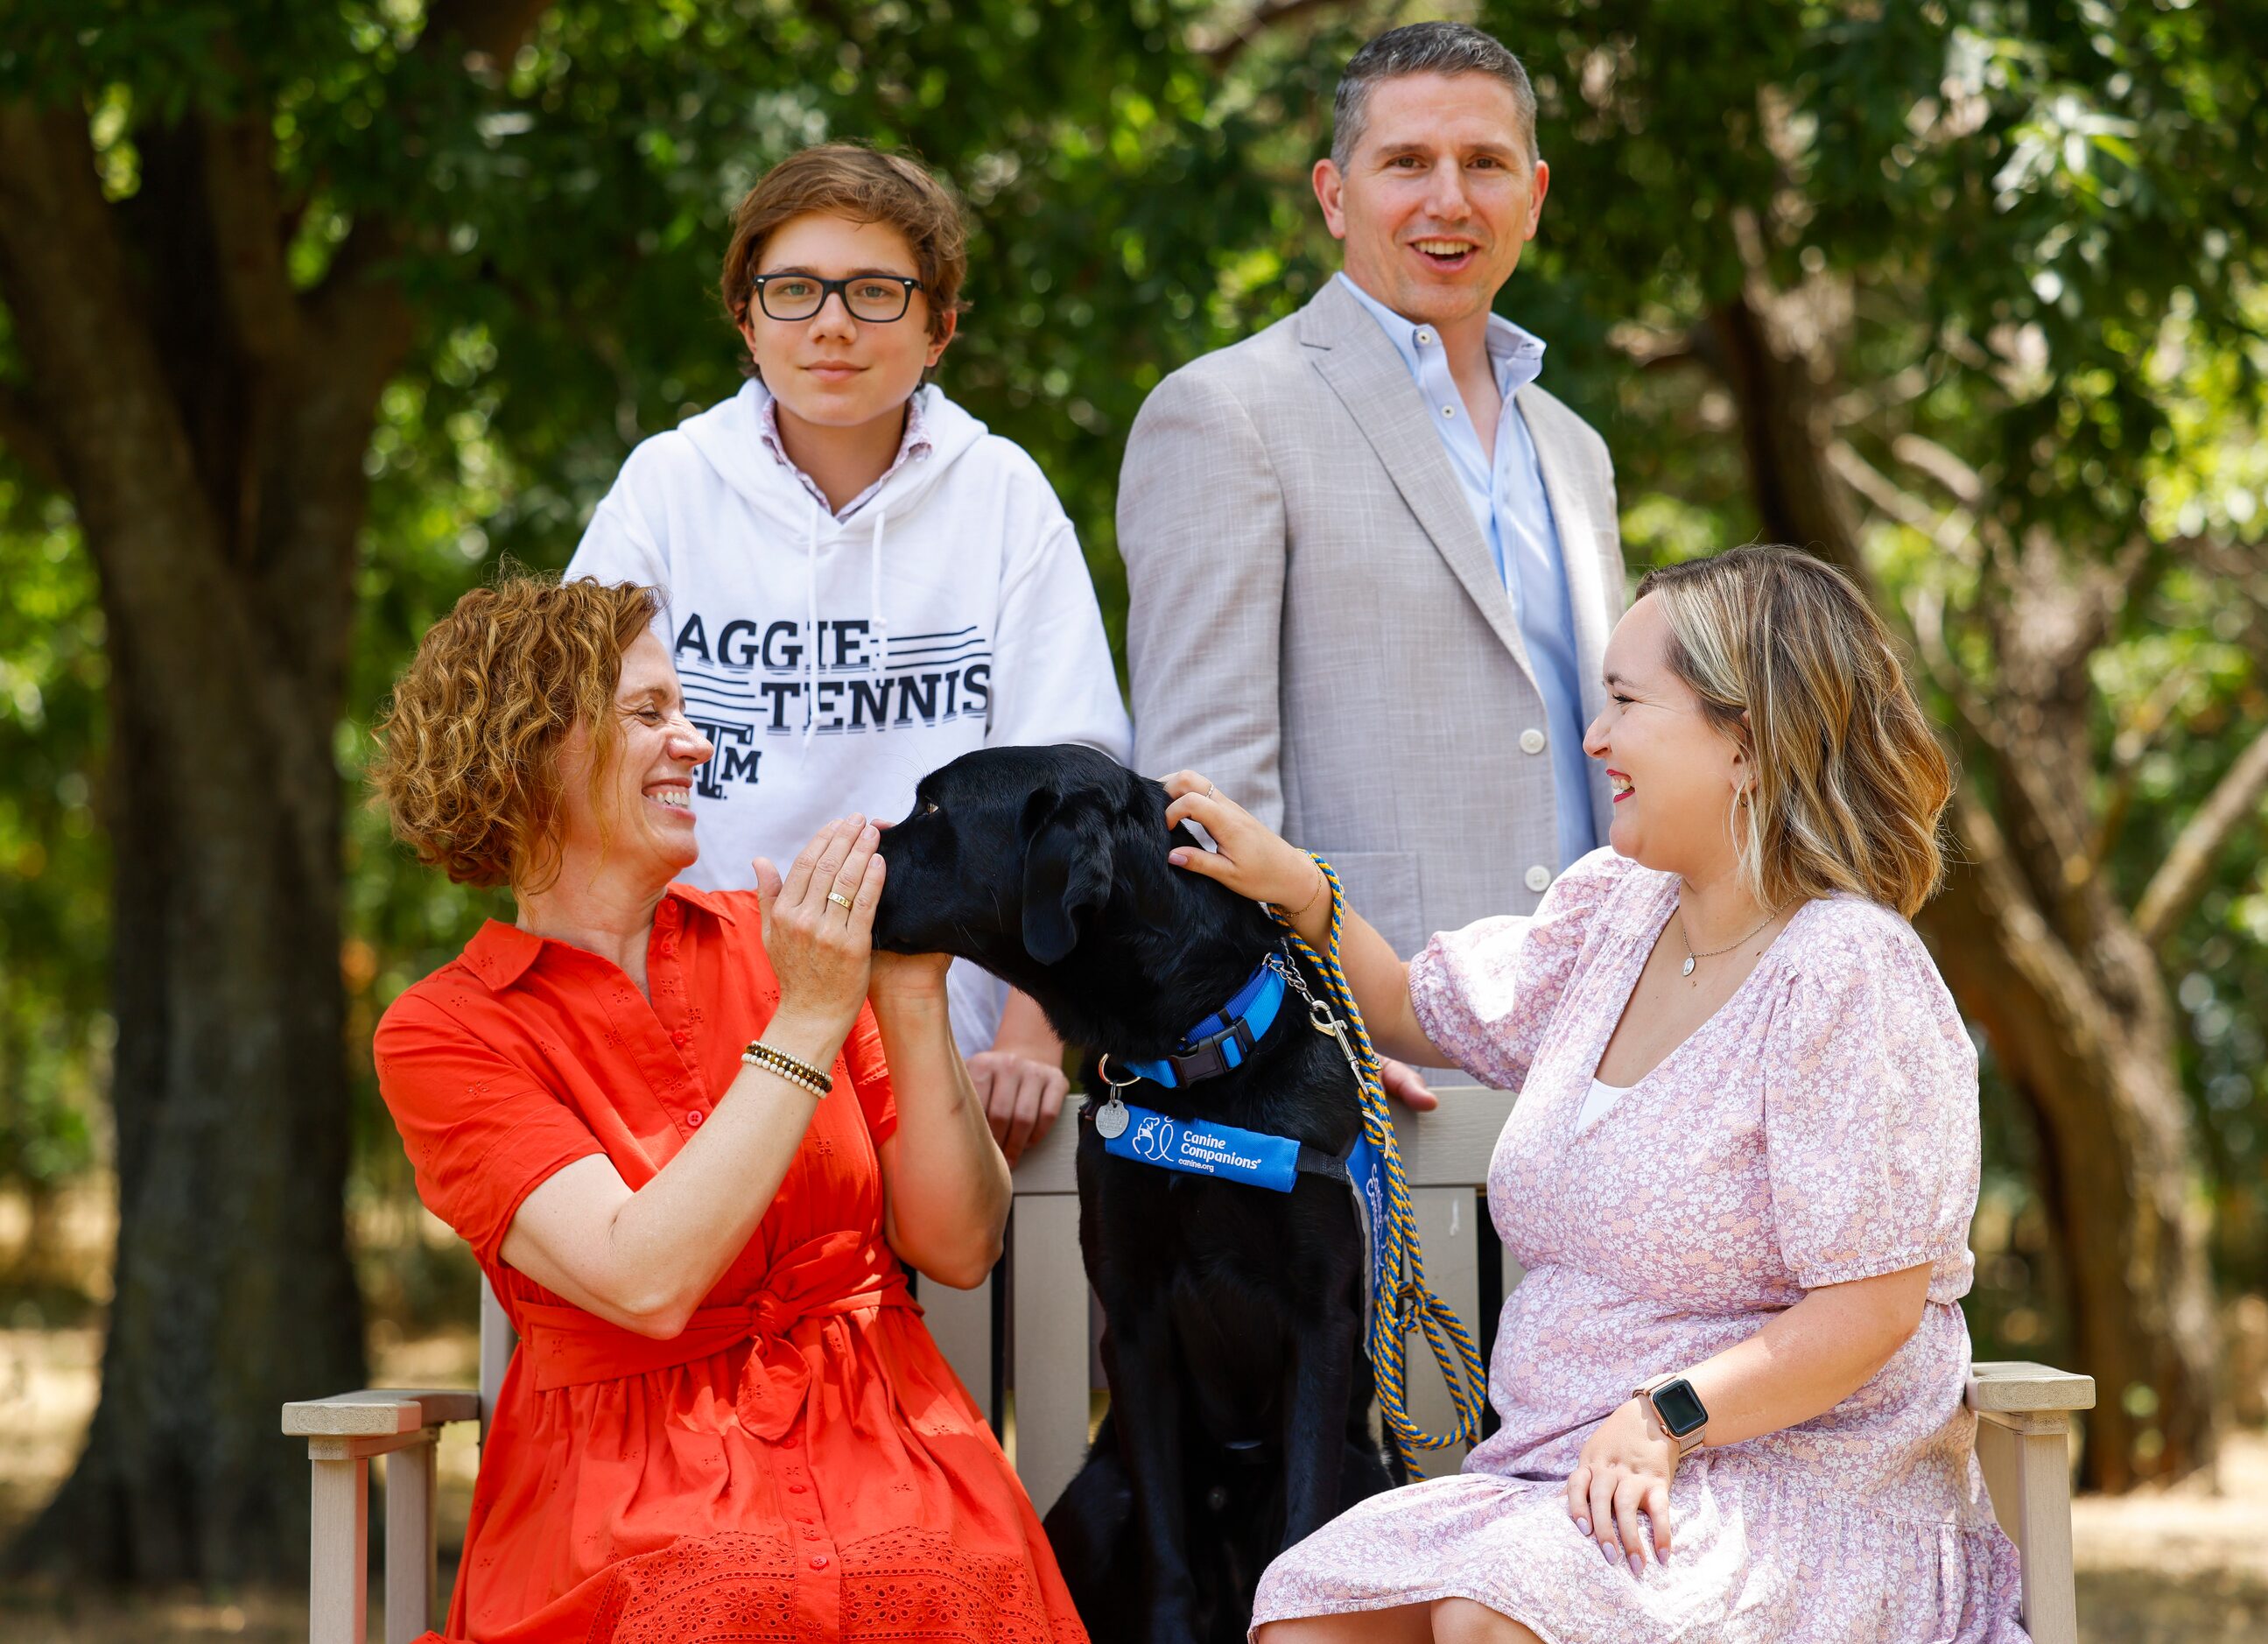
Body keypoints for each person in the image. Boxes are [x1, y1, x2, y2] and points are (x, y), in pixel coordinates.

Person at [1159, 546, 2026, 1644]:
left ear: (1745, 740)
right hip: (1557, 1478)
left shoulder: (1844, 972)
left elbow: (1870, 1311)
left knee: (1493, 1618)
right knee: (1311, 1612)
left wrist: (1665, 1417)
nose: (1592, 739)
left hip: (1799, 1490)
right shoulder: (1617, 912)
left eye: (1623, 702)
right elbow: (1417, 1009)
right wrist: (1293, 883)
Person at [369, 575, 1084, 1643]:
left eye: (688, 711)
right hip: (627, 1513)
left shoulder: (784, 945)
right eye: (648, 714)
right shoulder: (448, 1031)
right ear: (528, 750)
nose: (693, 743)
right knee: (718, 1601)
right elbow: (643, 1277)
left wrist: (904, 989)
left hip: (899, 1469)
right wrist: (805, 1021)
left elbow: (960, 1239)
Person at [566, 143, 1130, 1162]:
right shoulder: (666, 489)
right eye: (794, 290)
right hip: (694, 1054)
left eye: (874, 292)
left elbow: (1073, 783)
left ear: (939, 326)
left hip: (948, 1068)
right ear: (745, 317)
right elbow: (573, 763)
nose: (831, 323)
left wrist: (1030, 1040)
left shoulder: (1000, 494)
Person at [1116, 22, 1623, 1097]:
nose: (1448, 198)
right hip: (1370, 1072)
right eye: (1405, 163)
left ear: (1531, 196)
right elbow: (1205, 802)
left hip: (1594, 1061)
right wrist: (1309, 1046)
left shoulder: (1575, 449)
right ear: (1334, 195)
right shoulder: (1223, 413)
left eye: (1483, 164)